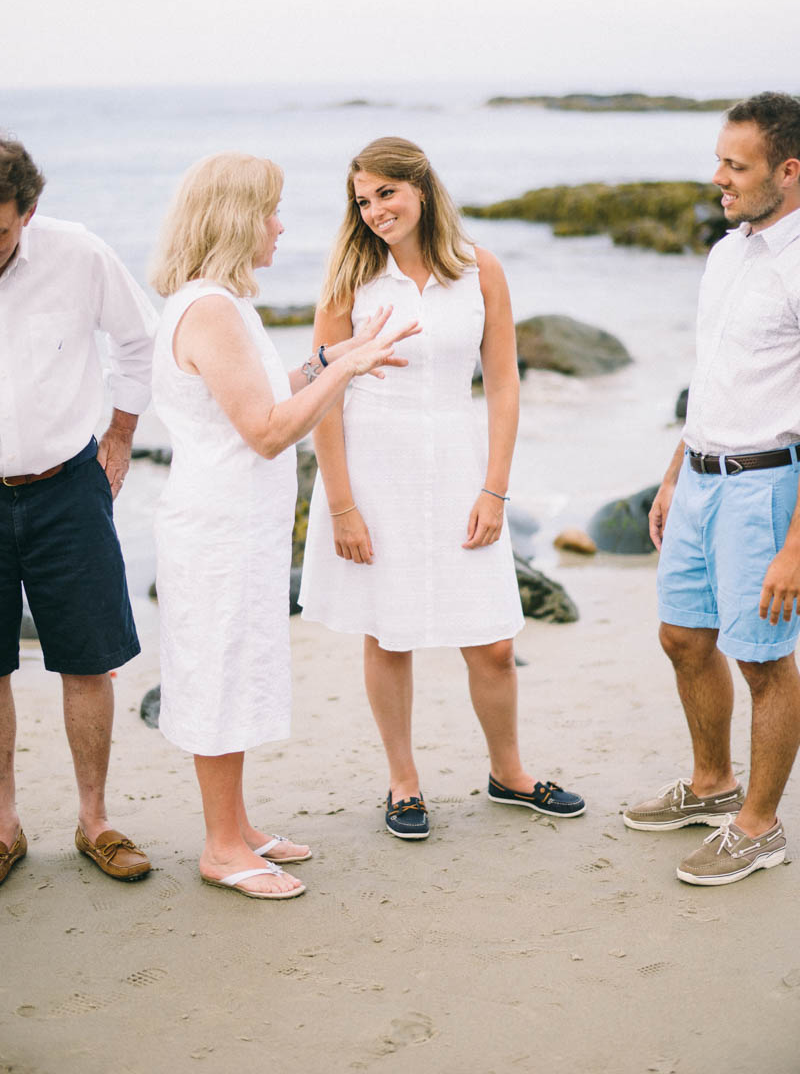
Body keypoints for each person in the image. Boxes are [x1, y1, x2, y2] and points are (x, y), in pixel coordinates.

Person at [150, 151, 419, 900]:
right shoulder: (208, 309)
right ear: (235, 219)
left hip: (240, 524)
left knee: (239, 670)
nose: (279, 225)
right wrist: (345, 372)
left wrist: (332, 356)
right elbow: (267, 431)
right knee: (218, 675)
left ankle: (238, 826)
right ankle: (219, 846)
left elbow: (273, 391)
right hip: (216, 527)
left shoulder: (225, 305)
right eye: (270, 210)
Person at [299, 136, 585, 840]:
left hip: (460, 468)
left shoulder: (479, 269)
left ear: (421, 189)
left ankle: (510, 774)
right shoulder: (347, 282)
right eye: (362, 200)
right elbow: (324, 397)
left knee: (490, 640)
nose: (374, 211)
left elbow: (504, 382)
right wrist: (339, 505)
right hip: (374, 472)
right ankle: (403, 784)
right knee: (387, 636)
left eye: (385, 194)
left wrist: (495, 490)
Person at [624, 92, 800, 885]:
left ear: (789, 171)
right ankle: (711, 787)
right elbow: (712, 380)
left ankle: (759, 827)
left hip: (766, 487)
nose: (718, 178)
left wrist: (795, 546)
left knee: (763, 662)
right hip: (700, 476)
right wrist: (674, 474)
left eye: (737, 165)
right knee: (683, 637)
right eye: (718, 161)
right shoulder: (726, 253)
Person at [0, 138, 158, 887]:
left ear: (28, 213)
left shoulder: (78, 254)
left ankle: (94, 821)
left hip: (69, 485)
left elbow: (138, 341)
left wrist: (122, 437)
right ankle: (3, 825)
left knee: (87, 661)